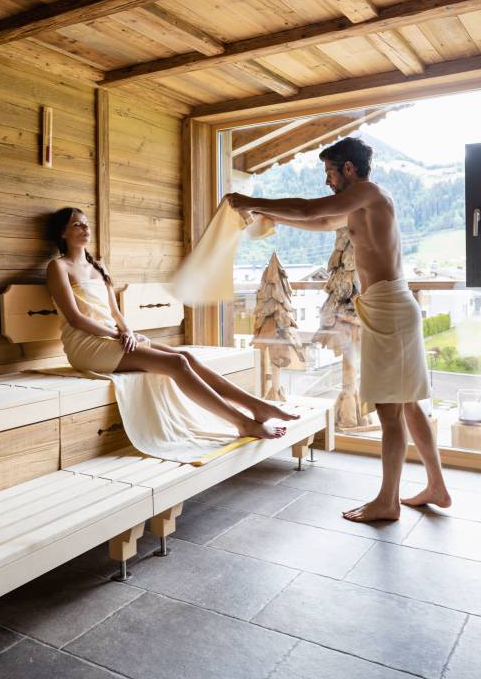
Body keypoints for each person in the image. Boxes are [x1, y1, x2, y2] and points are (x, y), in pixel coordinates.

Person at [227, 137, 451, 521]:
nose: (328, 181)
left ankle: (388, 501)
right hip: (390, 308)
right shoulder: (361, 204)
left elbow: (310, 208)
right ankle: (436, 486)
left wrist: (252, 202)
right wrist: (273, 217)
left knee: (390, 412)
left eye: (330, 172)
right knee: (409, 403)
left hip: (390, 312)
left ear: (349, 168)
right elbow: (319, 219)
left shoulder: (369, 193)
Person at [45, 207, 297, 441]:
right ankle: (242, 423)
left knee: (187, 356)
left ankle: (256, 406)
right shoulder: (57, 267)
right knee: (176, 364)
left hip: (112, 338)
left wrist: (129, 332)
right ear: (62, 233)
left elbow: (114, 311)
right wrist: (116, 335)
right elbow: (76, 318)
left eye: (86, 224)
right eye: (77, 225)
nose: (85, 229)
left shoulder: (97, 266)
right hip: (87, 347)